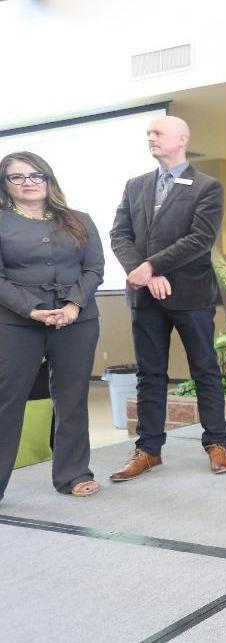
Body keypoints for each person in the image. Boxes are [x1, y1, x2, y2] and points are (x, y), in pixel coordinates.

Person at [109, 115, 226, 480]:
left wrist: (149, 266)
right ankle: (148, 450)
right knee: (150, 375)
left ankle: (217, 444)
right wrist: (146, 273)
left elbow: (200, 239)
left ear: (181, 139)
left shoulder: (207, 187)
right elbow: (119, 234)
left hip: (192, 295)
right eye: (148, 133)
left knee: (205, 370)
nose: (150, 137)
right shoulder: (135, 185)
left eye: (158, 133)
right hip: (146, 298)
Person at [0, 152, 104, 503]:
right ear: (5, 184)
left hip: (78, 320)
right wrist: (33, 311)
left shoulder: (79, 220)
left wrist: (74, 304)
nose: (28, 182)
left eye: (36, 174)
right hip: (16, 324)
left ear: (49, 179)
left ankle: (73, 475)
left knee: (72, 399)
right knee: (7, 401)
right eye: (17, 177)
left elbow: (94, 270)